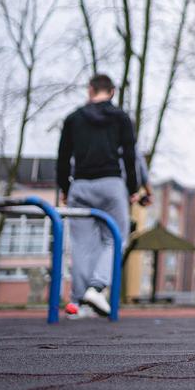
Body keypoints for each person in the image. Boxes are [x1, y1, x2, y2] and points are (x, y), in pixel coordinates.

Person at [56, 73, 140, 318]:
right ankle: (96, 287)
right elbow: (130, 155)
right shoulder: (121, 118)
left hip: (80, 185)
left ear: (90, 90)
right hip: (111, 185)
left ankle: (80, 304)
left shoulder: (73, 118)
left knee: (82, 246)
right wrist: (132, 189)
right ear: (112, 91)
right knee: (116, 238)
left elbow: (62, 157)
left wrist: (65, 187)